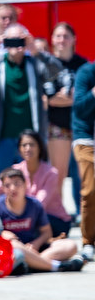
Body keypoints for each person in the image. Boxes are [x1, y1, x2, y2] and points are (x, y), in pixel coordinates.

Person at [0, 23, 62, 175]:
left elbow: (56, 70)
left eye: (19, 40)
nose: (16, 45)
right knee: (3, 182)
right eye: (11, 40)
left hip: (31, 138)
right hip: (2, 137)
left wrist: (35, 50)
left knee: (33, 182)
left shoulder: (34, 64)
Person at [0, 168, 83, 273]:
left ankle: (34, 264)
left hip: (33, 249)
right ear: (2, 188)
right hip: (10, 250)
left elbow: (47, 232)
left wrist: (36, 244)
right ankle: (55, 266)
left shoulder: (35, 205)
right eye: (7, 185)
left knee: (70, 245)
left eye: (17, 184)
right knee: (15, 246)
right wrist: (2, 233)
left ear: (25, 185)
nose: (13, 188)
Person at [44, 22, 86, 209]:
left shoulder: (83, 65)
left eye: (66, 36)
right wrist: (76, 96)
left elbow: (88, 95)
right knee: (58, 173)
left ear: (74, 39)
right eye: (58, 36)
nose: (62, 40)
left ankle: (82, 214)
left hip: (81, 125)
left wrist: (67, 96)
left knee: (82, 173)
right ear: (52, 40)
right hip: (57, 125)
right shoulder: (48, 65)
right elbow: (50, 99)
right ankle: (59, 213)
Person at [12, 129, 72, 237]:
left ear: (40, 147)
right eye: (24, 145)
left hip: (55, 221)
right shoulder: (15, 171)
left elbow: (40, 205)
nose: (28, 148)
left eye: (32, 145)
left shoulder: (51, 173)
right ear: (19, 149)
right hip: (27, 220)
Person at [73, 58, 95, 261]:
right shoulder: (86, 72)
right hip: (87, 139)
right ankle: (88, 241)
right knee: (90, 189)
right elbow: (79, 107)